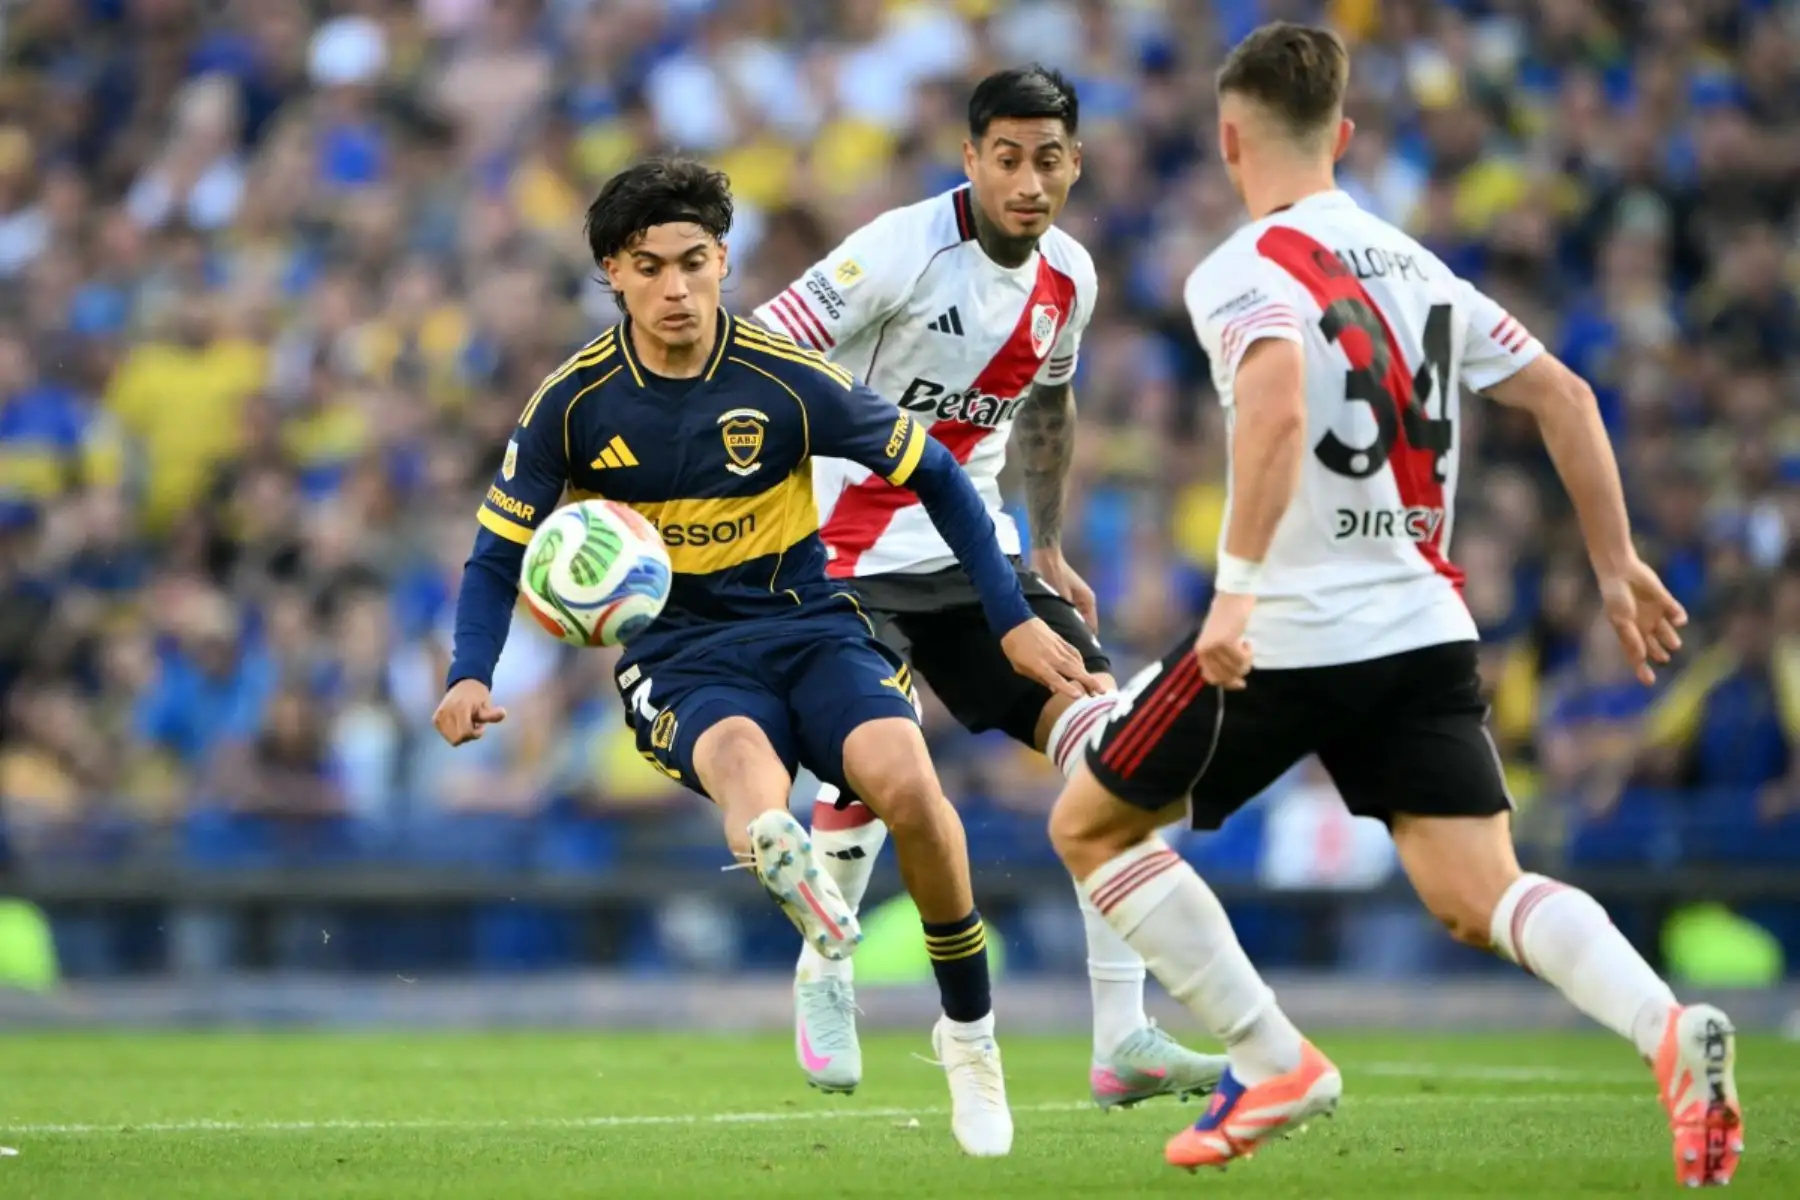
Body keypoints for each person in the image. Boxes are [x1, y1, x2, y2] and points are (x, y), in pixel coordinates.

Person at [1045, 23, 1744, 1184]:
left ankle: (1272, 1056)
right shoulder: (1420, 269)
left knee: (1088, 825)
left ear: (1229, 140)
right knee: (1480, 894)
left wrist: (1235, 595)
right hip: (1422, 627)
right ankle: (1669, 1032)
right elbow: (1568, 397)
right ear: (1345, 135)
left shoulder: (1239, 267)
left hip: (1287, 629)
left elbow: (1277, 405)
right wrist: (1616, 562)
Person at [434, 158, 1106, 1157]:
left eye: (693, 263)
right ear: (613, 273)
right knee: (748, 770)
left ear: (723, 261)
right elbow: (498, 554)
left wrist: (1009, 615)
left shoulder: (782, 376)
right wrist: (470, 671)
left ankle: (969, 1039)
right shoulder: (572, 405)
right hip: (682, 653)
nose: (676, 289)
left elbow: (939, 476)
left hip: (810, 625)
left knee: (912, 790)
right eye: (650, 267)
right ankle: (785, 860)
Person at [754, 65, 1226, 1106]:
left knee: (1113, 746)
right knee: (873, 756)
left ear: (1077, 164)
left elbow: (1049, 407)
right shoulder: (893, 252)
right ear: (971, 158)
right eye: (1006, 158)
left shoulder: (1070, 279)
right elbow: (759, 354)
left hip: (973, 558)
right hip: (838, 554)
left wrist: (1046, 546)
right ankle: (824, 975)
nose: (1028, 181)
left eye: (1047, 160)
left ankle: (1123, 1038)